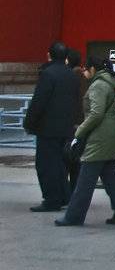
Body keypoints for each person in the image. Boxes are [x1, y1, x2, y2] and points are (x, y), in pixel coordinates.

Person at [54, 52, 115, 227]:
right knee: (112, 177)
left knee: (85, 180)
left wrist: (79, 131)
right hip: (111, 134)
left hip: (100, 137)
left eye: (85, 68)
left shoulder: (98, 85)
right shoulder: (110, 82)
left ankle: (73, 216)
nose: (83, 72)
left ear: (92, 68)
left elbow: (96, 114)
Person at [23, 40, 79, 212]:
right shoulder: (71, 75)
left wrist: (29, 122)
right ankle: (64, 196)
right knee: (62, 165)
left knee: (47, 165)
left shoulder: (48, 74)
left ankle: (51, 199)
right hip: (67, 127)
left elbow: (39, 102)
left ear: (49, 55)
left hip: (48, 128)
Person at [64, 47, 86, 194]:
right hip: (82, 122)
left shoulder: (71, 77)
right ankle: (75, 191)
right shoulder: (84, 77)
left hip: (73, 123)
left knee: (69, 159)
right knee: (76, 160)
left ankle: (69, 193)